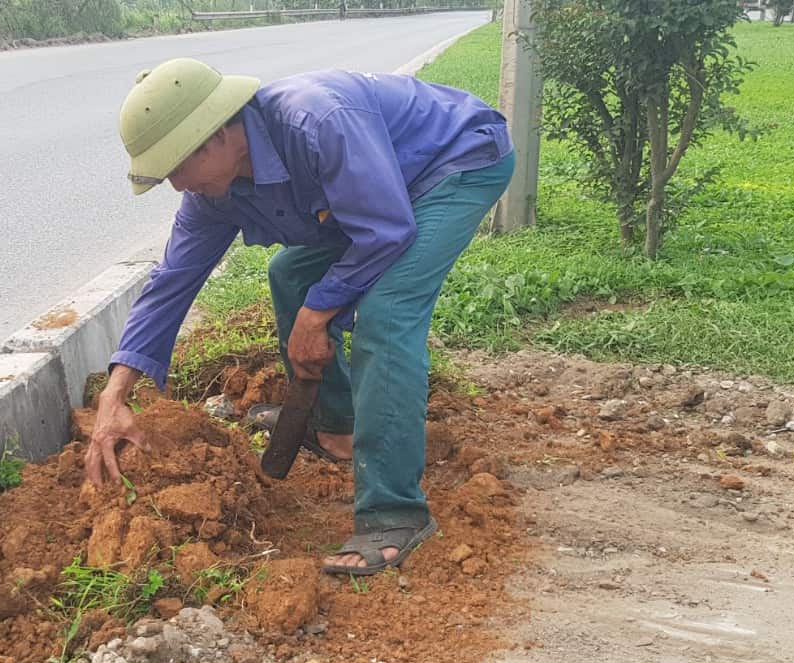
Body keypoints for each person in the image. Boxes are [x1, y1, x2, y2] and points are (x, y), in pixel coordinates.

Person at [84, 57, 513, 577]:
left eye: (176, 167)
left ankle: (394, 511)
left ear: (217, 134)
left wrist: (317, 314)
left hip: (453, 163)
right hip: (379, 196)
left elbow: (386, 230)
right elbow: (172, 281)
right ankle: (336, 428)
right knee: (291, 274)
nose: (176, 186)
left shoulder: (316, 124)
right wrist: (116, 392)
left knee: (386, 313)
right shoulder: (212, 195)